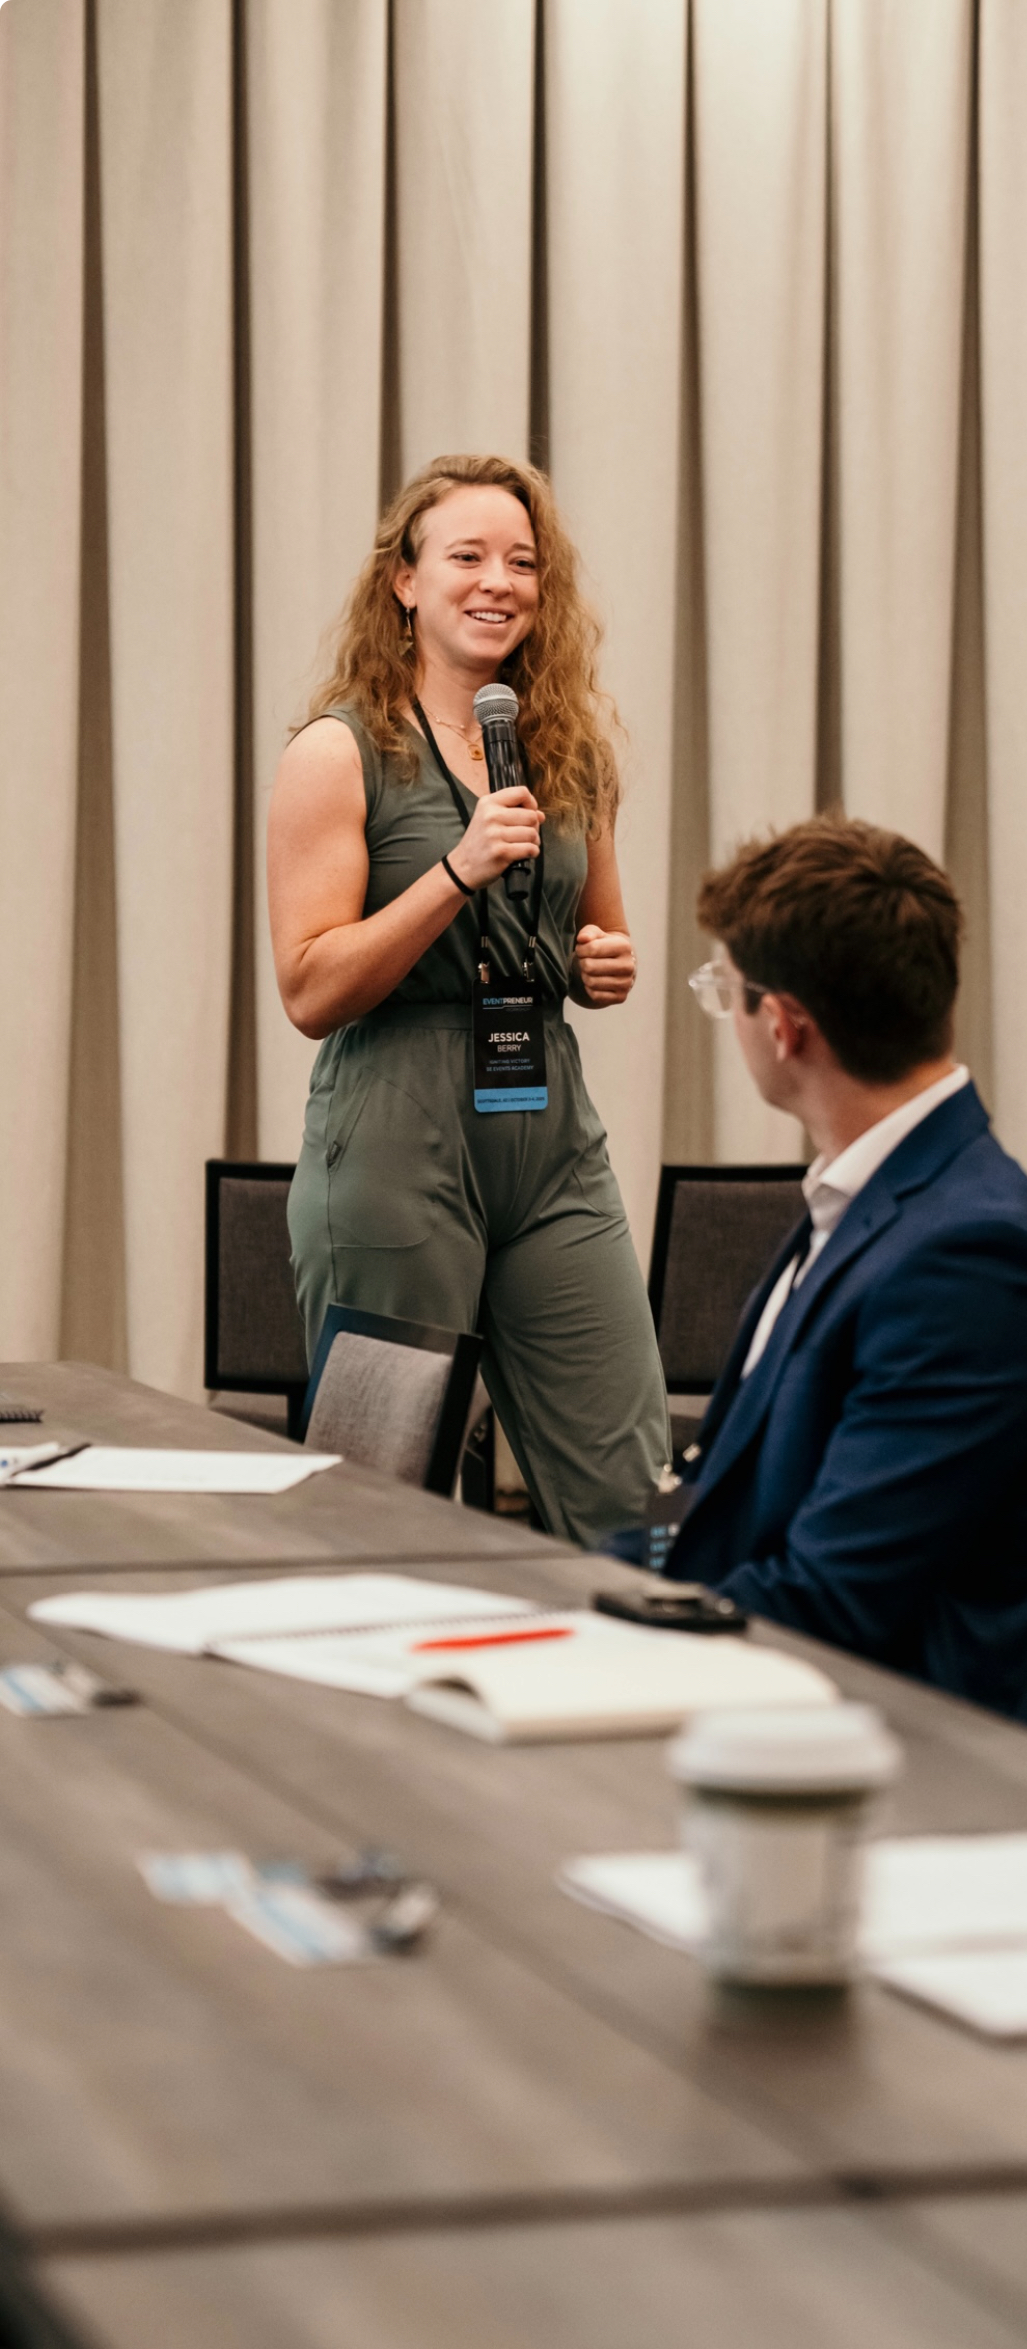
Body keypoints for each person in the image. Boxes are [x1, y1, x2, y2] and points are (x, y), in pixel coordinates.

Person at [268, 452, 669, 1544]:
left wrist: (603, 965)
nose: (499, 580)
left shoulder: (570, 751)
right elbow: (309, 987)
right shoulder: (335, 752)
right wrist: (453, 871)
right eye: (468, 556)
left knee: (632, 1495)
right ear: (405, 581)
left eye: (524, 562)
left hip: (546, 1132)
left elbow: (605, 937)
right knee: (383, 1514)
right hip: (395, 1134)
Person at [616, 816, 1027, 1727]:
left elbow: (833, 1601)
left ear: (784, 1026)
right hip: (767, 1691)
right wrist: (551, 1592)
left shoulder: (975, 1260)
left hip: (881, 1758)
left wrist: (595, 1640)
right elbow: (717, 1507)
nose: (730, 1016)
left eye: (727, 993)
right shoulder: (872, 1195)